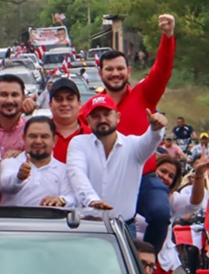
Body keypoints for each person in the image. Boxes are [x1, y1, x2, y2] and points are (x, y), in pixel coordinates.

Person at [91, 14, 176, 253]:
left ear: (128, 71)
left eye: (120, 69)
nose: (115, 73)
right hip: (108, 178)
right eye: (109, 69)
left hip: (144, 177)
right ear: (101, 73)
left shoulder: (144, 95)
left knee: (160, 213)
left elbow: (162, 70)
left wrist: (168, 37)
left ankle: (145, 263)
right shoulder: (93, 109)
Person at [66, 96, 167, 230]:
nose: (102, 120)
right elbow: (77, 174)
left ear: (118, 117)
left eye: (107, 114)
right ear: (88, 121)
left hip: (123, 228)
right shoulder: (79, 143)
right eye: (96, 116)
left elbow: (151, 140)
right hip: (86, 227)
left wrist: (156, 128)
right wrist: (92, 200)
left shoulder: (134, 146)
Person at [0, 117, 75, 208]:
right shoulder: (9, 163)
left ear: (54, 141)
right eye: (33, 136)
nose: (38, 141)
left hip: (49, 221)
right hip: (13, 221)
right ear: (24, 138)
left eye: (44, 136)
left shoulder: (64, 170)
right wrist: (19, 177)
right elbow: (5, 186)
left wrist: (62, 200)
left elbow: (73, 197)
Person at [48, 77, 90, 163]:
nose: (64, 103)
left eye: (70, 98)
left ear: (79, 104)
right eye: (59, 99)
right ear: (50, 104)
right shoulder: (40, 136)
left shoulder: (92, 136)